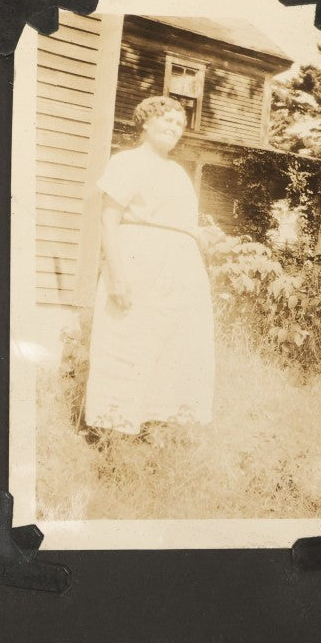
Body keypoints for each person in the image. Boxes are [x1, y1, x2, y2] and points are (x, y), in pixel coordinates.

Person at [82, 96, 215, 437]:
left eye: (179, 124)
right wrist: (116, 276)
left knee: (174, 344)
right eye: (167, 120)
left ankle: (156, 425)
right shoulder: (126, 162)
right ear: (145, 122)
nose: (174, 128)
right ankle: (112, 429)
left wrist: (201, 235)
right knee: (128, 340)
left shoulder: (178, 173)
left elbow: (178, 223)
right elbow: (108, 220)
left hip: (180, 269)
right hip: (138, 262)